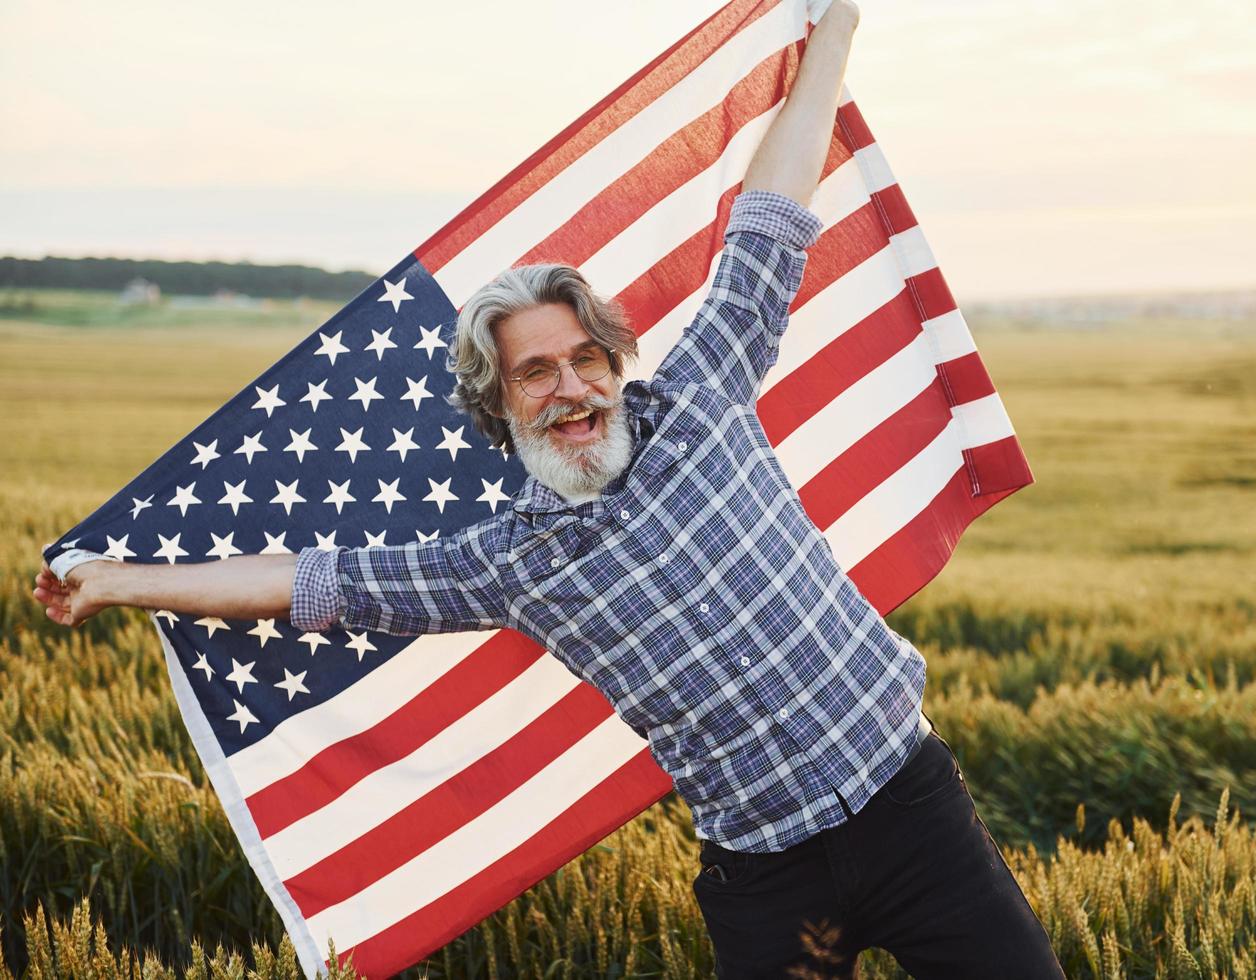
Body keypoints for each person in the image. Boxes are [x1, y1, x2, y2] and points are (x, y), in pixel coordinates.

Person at [33, 4, 1064, 976]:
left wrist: (832, 23)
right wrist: (120, 579)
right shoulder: (506, 563)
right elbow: (311, 580)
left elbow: (772, 212)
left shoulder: (705, 391)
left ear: (615, 359)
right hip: (772, 878)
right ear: (503, 405)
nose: (569, 387)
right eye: (536, 372)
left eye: (583, 358)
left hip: (912, 811)